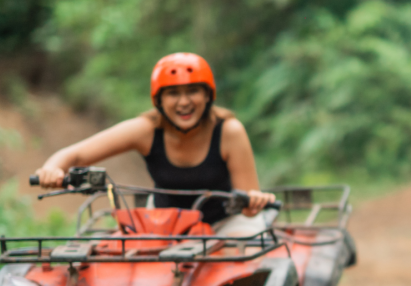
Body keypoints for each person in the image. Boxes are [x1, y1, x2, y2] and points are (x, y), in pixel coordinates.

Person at [33, 52, 275, 228]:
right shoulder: (146, 130)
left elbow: (248, 204)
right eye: (173, 93)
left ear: (208, 95)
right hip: (163, 224)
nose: (184, 102)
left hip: (226, 225)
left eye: (192, 91)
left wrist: (254, 202)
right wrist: (52, 168)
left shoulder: (228, 131)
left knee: (250, 266)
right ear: (159, 100)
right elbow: (74, 154)